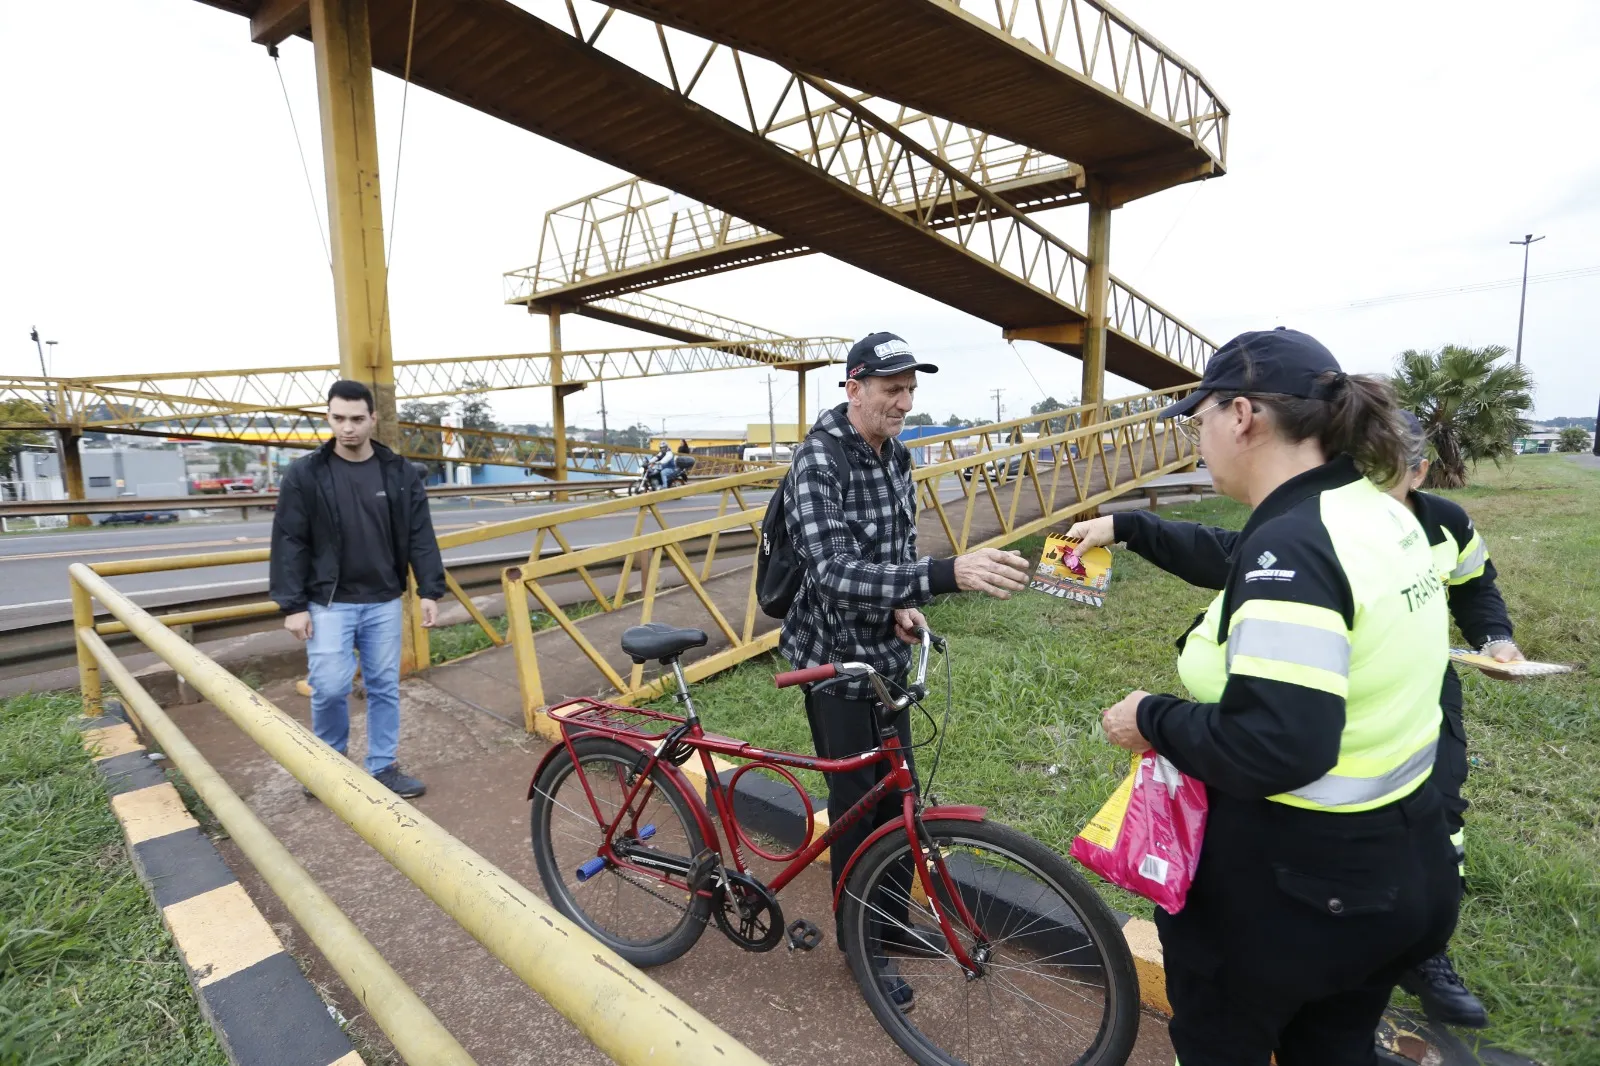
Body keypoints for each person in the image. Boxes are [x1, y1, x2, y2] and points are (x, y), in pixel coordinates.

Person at [1066, 328, 1460, 1065]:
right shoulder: (1371, 513)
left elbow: (1277, 742)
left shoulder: (1295, 546)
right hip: (1399, 865)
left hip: (1297, 892)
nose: (1198, 436)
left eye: (1200, 418)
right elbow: (1237, 559)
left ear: (1241, 415)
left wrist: (1150, 717)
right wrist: (1130, 526)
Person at [782, 331, 1033, 1006]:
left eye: (911, 389)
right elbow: (832, 573)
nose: (904, 401)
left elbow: (896, 545)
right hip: (831, 662)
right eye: (892, 389)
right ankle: (856, 941)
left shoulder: (899, 457)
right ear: (854, 389)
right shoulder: (818, 461)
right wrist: (947, 574)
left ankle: (890, 923)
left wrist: (905, 607)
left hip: (885, 654)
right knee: (855, 809)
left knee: (899, 798)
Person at [1385, 412, 1521, 1028]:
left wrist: (1496, 639)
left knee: (1439, 808)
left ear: (1419, 470)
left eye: (1382, 475)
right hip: (1339, 686)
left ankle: (1426, 952)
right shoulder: (1319, 522)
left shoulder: (1448, 523)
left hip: (1426, 685)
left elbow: (1475, 588)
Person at [268, 380, 446, 799]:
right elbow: (289, 539)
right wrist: (292, 604)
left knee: (385, 685)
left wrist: (429, 591)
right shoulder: (306, 474)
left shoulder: (398, 472)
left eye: (356, 419)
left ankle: (383, 766)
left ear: (373, 419)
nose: (347, 428)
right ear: (328, 418)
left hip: (383, 599)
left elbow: (421, 534)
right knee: (330, 686)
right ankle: (330, 765)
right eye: (338, 419)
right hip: (329, 601)